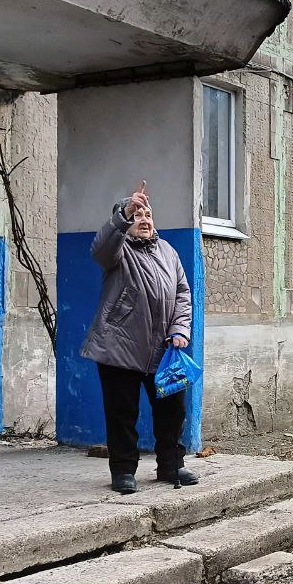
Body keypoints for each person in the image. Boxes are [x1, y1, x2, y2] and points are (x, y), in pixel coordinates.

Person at [83, 181, 199, 494]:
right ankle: (123, 472)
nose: (144, 219)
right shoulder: (117, 251)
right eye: (137, 216)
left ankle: (171, 466)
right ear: (125, 223)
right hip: (119, 346)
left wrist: (179, 329)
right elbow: (101, 248)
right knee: (122, 413)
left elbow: (182, 294)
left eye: (147, 214)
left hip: (163, 348)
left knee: (172, 411)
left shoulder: (168, 251)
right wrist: (124, 214)